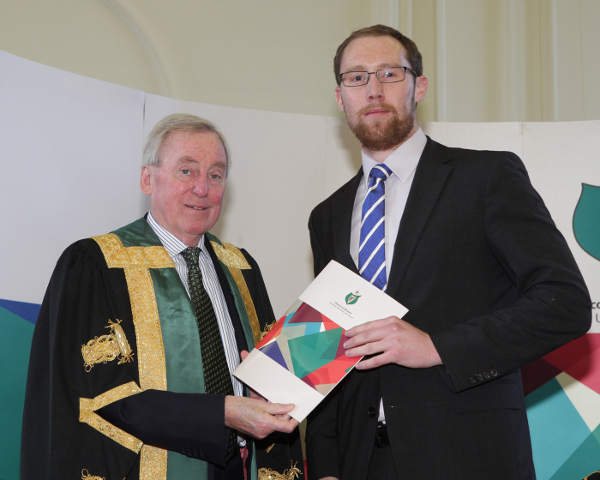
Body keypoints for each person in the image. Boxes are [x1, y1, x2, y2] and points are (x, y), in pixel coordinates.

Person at [305, 25, 591, 480]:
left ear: (419, 86)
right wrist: (323, 464)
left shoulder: (486, 177)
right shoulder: (327, 215)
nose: (373, 89)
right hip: (361, 464)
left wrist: (436, 346)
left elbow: (566, 304)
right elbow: (332, 346)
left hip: (469, 457)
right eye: (356, 77)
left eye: (389, 74)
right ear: (340, 97)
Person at [21, 114, 302, 480]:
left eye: (215, 175)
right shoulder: (97, 265)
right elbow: (104, 397)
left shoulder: (241, 269)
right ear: (147, 179)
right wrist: (222, 413)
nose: (202, 188)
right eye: (187, 171)